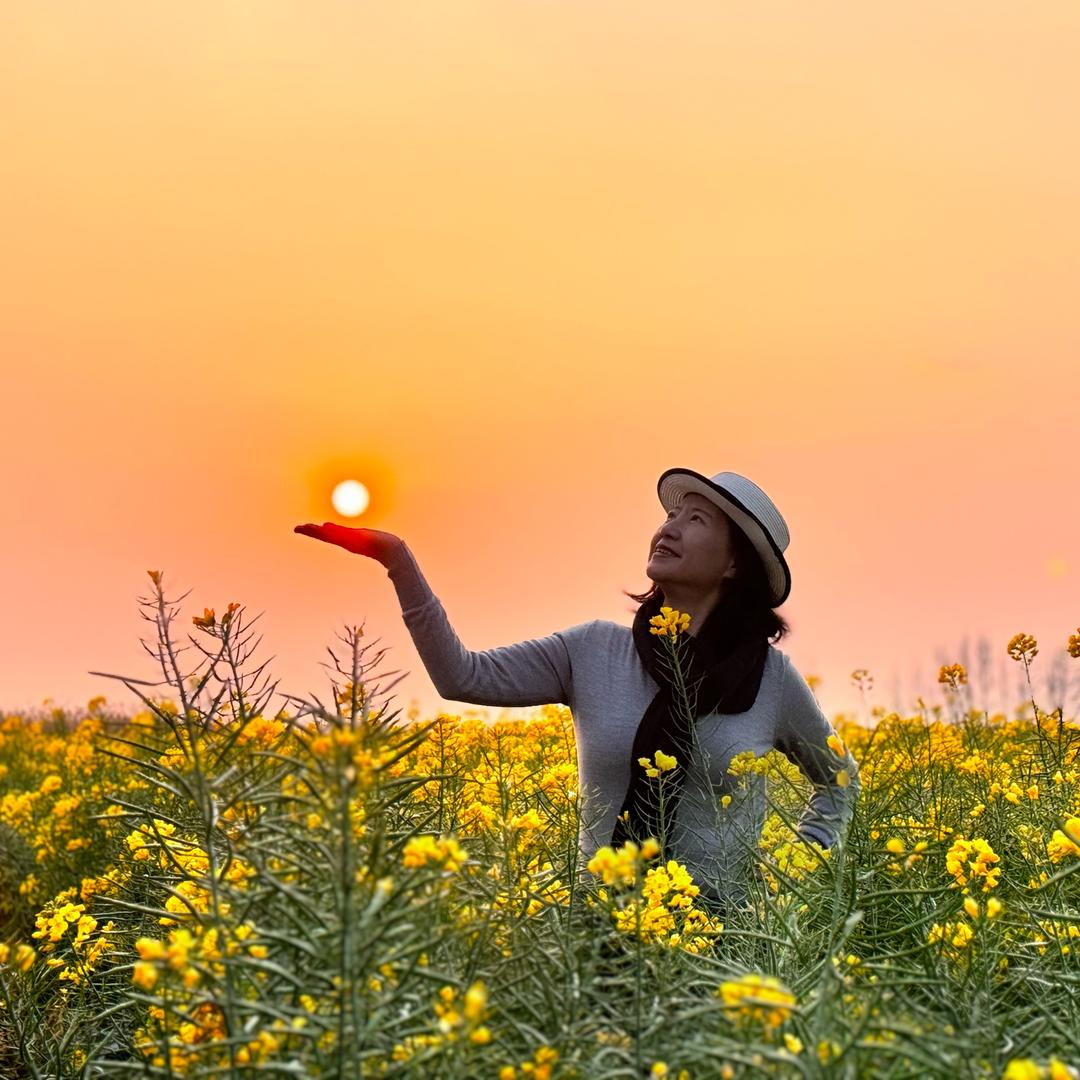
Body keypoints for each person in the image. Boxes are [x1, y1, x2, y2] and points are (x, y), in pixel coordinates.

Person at [294, 467, 859, 912]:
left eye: (696, 520)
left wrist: (792, 875)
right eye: (670, 515)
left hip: (723, 947)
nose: (668, 528)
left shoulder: (770, 679)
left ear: (735, 564)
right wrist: (397, 561)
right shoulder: (591, 650)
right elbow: (462, 676)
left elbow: (839, 780)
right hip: (599, 931)